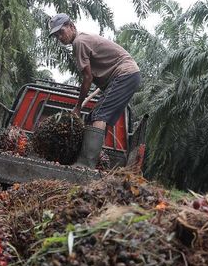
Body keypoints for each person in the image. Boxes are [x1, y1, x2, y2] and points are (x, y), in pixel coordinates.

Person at [49, 13, 141, 168]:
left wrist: (78, 107)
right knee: (95, 117)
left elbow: (87, 78)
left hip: (125, 75)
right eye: (56, 35)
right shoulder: (83, 39)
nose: (59, 37)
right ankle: (93, 158)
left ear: (72, 26)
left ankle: (85, 165)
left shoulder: (79, 42)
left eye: (61, 32)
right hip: (127, 75)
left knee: (99, 115)